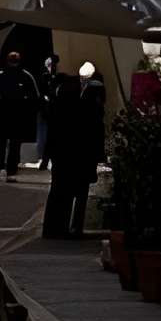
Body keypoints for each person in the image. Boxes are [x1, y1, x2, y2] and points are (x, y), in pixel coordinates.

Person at [43, 60, 106, 239]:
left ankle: (54, 228)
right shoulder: (89, 106)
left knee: (59, 189)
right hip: (80, 153)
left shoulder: (62, 103)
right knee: (78, 190)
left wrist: (48, 155)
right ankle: (72, 227)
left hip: (63, 152)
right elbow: (95, 130)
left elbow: (53, 130)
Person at [0, 47, 41, 180]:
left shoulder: (0, 76)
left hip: (4, 115)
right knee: (13, 144)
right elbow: (35, 97)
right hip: (16, 116)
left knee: (1, 143)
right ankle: (10, 171)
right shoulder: (25, 76)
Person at [33, 52, 60, 169]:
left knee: (50, 137)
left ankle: (46, 160)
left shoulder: (56, 78)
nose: (52, 67)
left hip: (52, 111)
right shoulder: (44, 77)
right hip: (46, 110)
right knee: (45, 136)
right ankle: (44, 159)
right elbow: (40, 92)